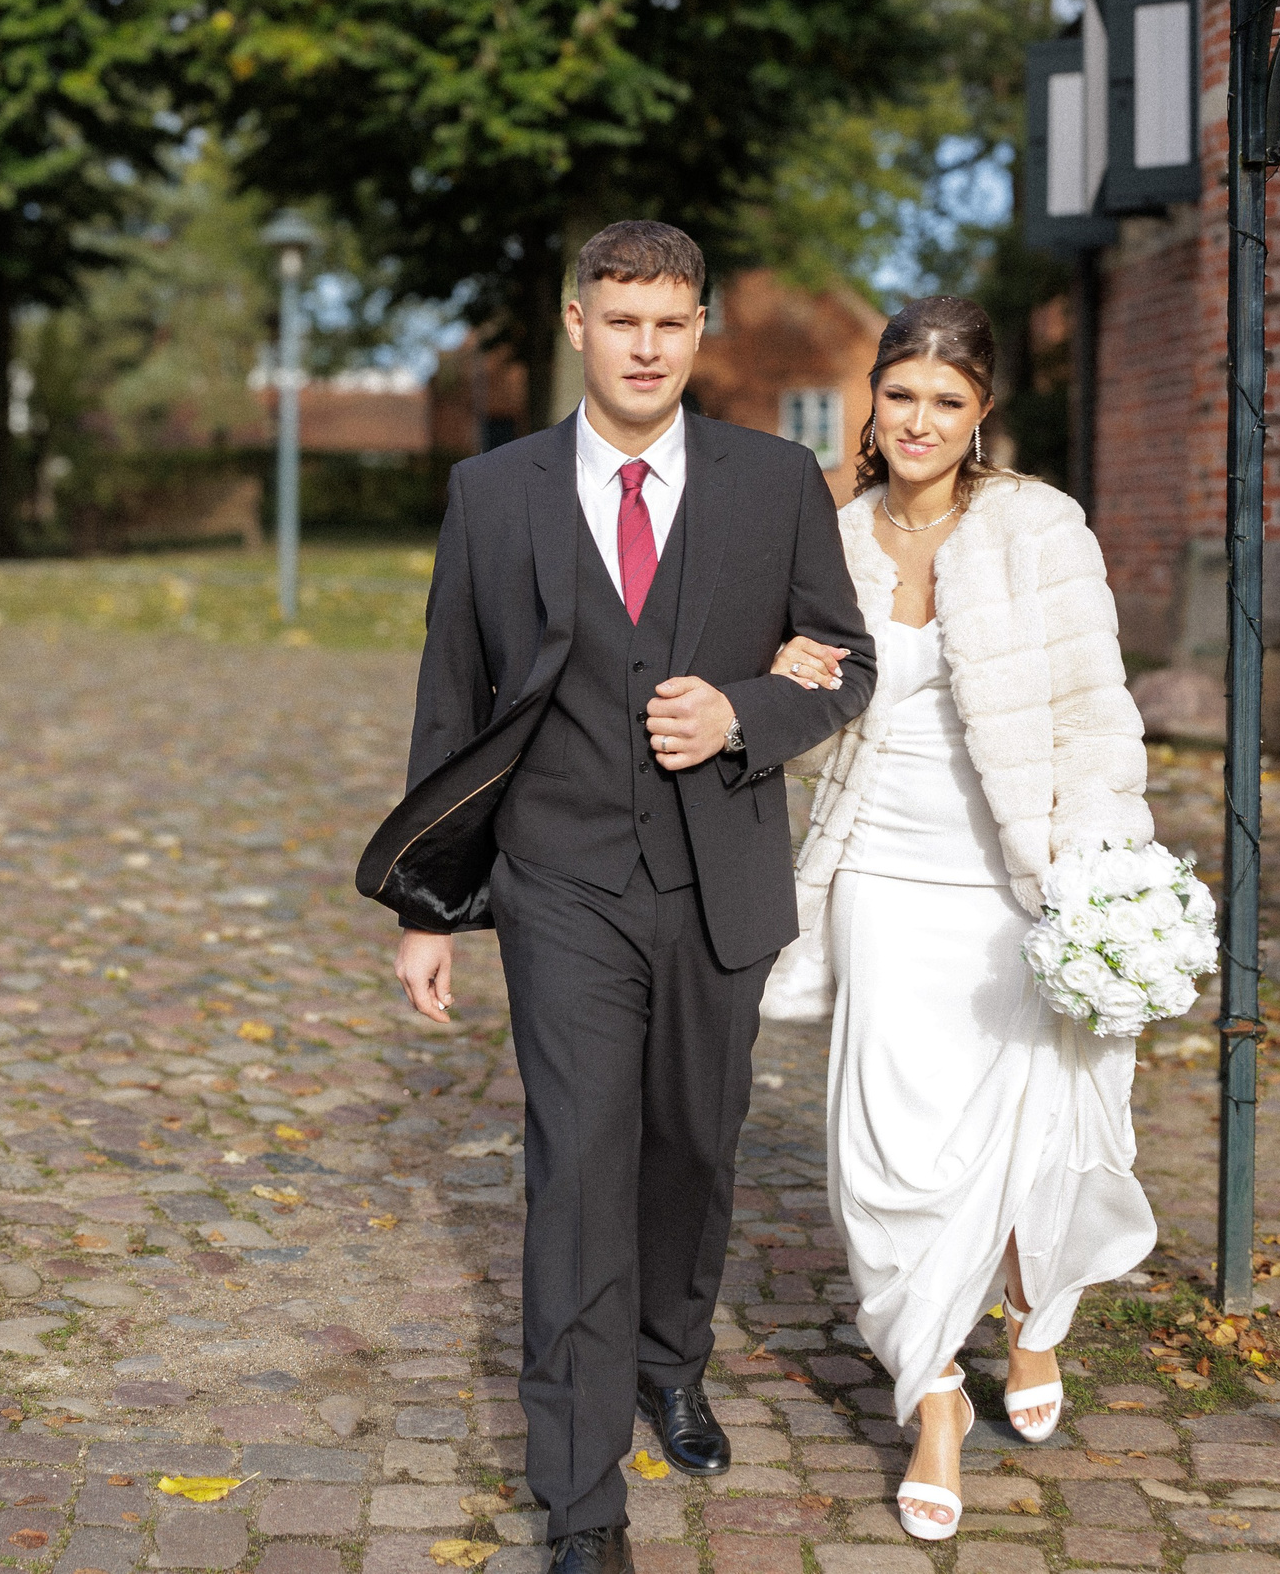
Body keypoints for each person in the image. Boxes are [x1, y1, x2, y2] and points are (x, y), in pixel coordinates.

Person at [356, 221, 877, 1574]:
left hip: (720, 877)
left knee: (692, 1146)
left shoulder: (775, 484)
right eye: (621, 319)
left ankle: (671, 1356)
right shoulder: (494, 492)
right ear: (578, 325)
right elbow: (451, 701)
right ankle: (583, 1499)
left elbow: (844, 659)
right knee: (577, 1167)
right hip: (561, 878)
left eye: (670, 321)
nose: (646, 345)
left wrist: (747, 707)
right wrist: (427, 903)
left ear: (700, 329)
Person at [759, 296, 1156, 1542]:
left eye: (947, 401)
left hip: (1012, 870)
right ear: (870, 401)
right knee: (879, 1150)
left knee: (1029, 1115)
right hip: (877, 865)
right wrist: (781, 679)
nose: (919, 420)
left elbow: (1095, 708)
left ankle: (1032, 1312)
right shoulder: (825, 535)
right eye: (899, 395)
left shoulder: (1038, 527)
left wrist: (1103, 875)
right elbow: (791, 708)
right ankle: (933, 1388)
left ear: (980, 413)